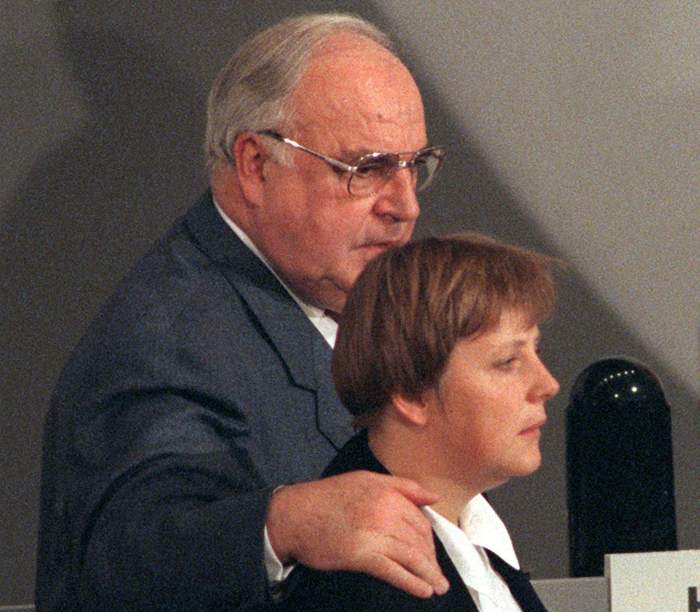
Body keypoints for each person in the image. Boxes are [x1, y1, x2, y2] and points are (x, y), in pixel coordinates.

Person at [35, 13, 449, 611]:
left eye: (415, 166)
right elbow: (127, 555)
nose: (405, 205)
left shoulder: (332, 301)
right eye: (369, 169)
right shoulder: (168, 337)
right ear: (256, 165)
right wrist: (284, 522)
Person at [279, 233, 560, 611]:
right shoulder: (358, 590)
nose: (547, 384)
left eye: (535, 351)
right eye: (507, 362)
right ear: (411, 394)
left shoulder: (476, 533)